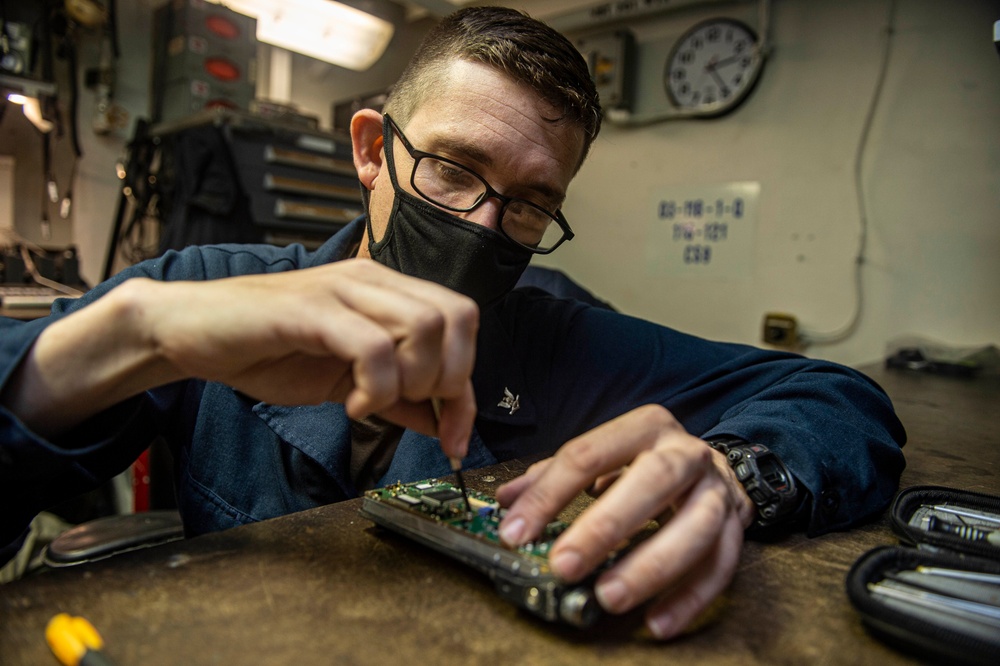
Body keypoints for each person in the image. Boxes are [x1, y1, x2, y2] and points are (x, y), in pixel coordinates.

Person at [0, 6, 904, 640]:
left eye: (526, 204)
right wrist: (134, 333)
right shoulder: (204, 292)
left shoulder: (560, 336)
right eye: (453, 168)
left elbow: (837, 396)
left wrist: (735, 472)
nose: (481, 224)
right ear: (370, 151)